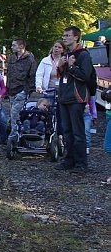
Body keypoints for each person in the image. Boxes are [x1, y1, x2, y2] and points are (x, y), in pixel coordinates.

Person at [55, 25, 92, 172]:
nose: (64, 38)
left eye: (67, 36)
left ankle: (81, 163)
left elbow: (85, 76)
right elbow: (62, 76)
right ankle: (69, 160)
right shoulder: (67, 54)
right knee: (67, 131)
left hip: (77, 98)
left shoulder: (83, 55)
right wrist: (60, 66)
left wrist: (71, 66)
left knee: (78, 132)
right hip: (64, 97)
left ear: (76, 37)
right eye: (63, 36)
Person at [6, 38, 37, 143]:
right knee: (13, 114)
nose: (12, 47)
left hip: (22, 90)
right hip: (12, 90)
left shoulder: (30, 59)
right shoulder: (12, 58)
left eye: (14, 45)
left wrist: (28, 91)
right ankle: (19, 134)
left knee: (15, 113)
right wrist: (7, 88)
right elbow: (8, 73)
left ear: (21, 46)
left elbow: (32, 76)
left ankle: (13, 136)